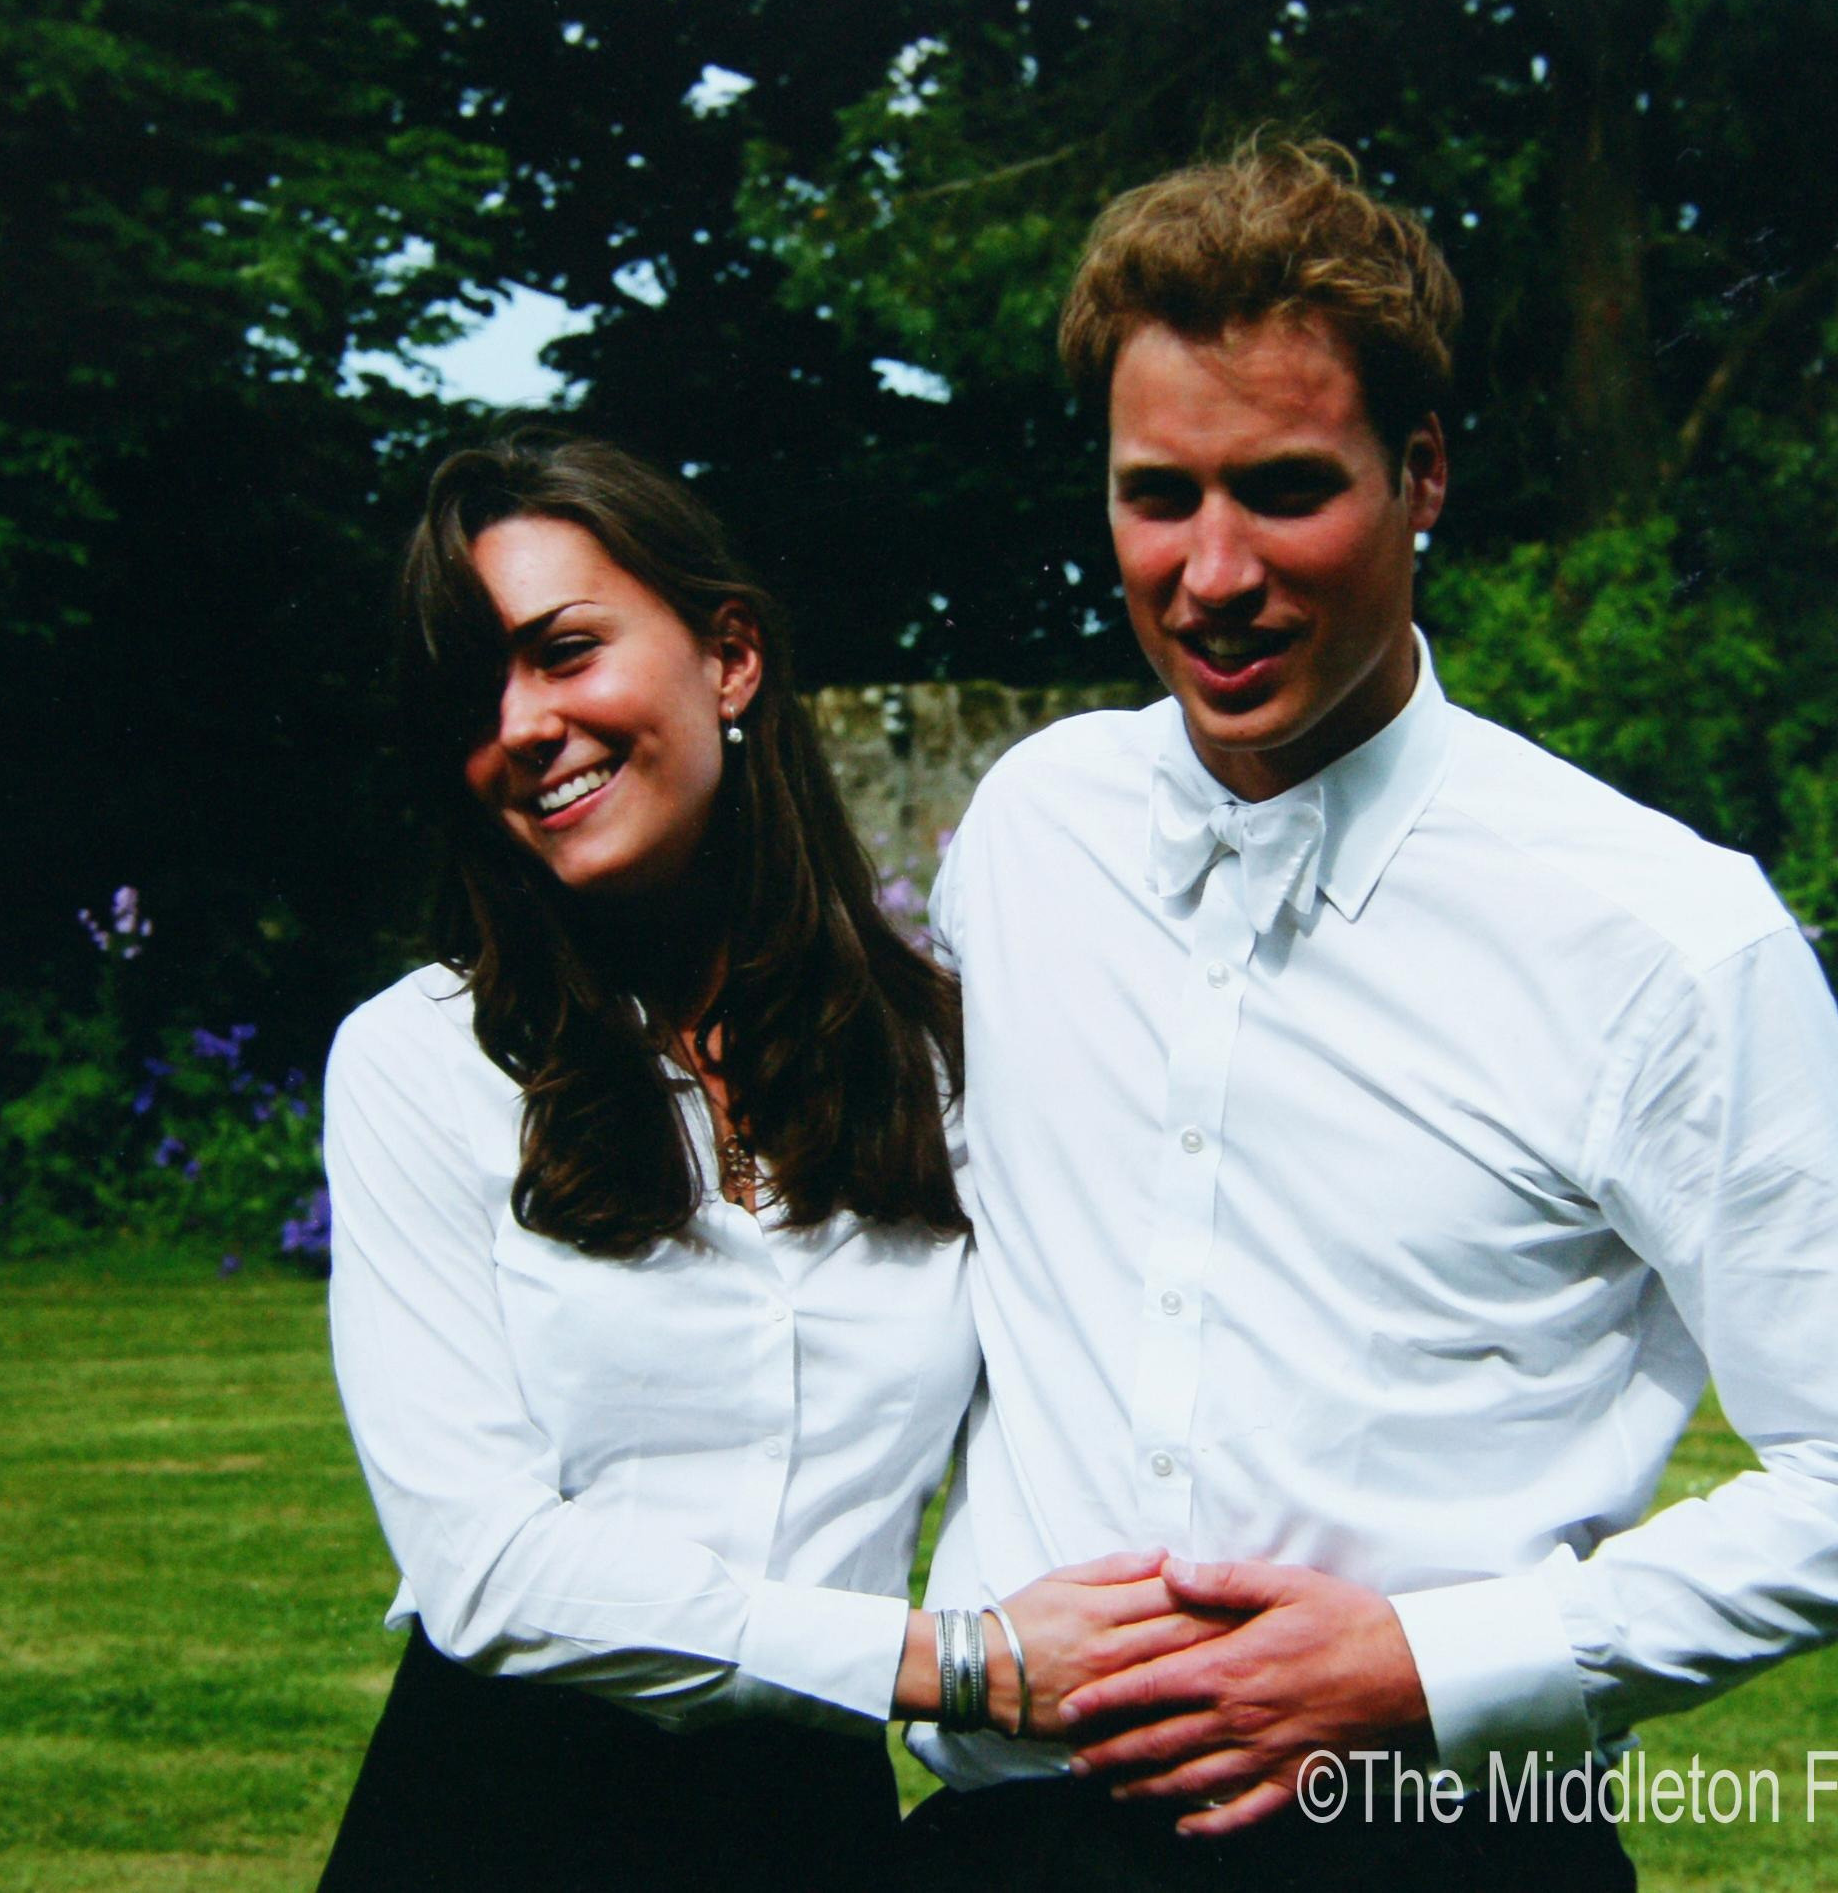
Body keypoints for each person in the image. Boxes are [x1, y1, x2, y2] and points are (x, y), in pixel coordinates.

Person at [901, 139, 1838, 1889]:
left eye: (1284, 486)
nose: (1214, 570)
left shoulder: (1658, 932)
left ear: (1422, 477)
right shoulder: (1035, 831)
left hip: (1428, 1838)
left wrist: (1428, 1666)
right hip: (1005, 1836)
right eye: (1159, 495)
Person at [316, 431, 1213, 1891]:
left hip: (814, 1838)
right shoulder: (423, 1062)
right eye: (473, 692)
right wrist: (951, 1665)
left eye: (562, 652)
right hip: (492, 1823)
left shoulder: (946, 1066)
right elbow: (483, 1571)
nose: (522, 724)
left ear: (730, 659)